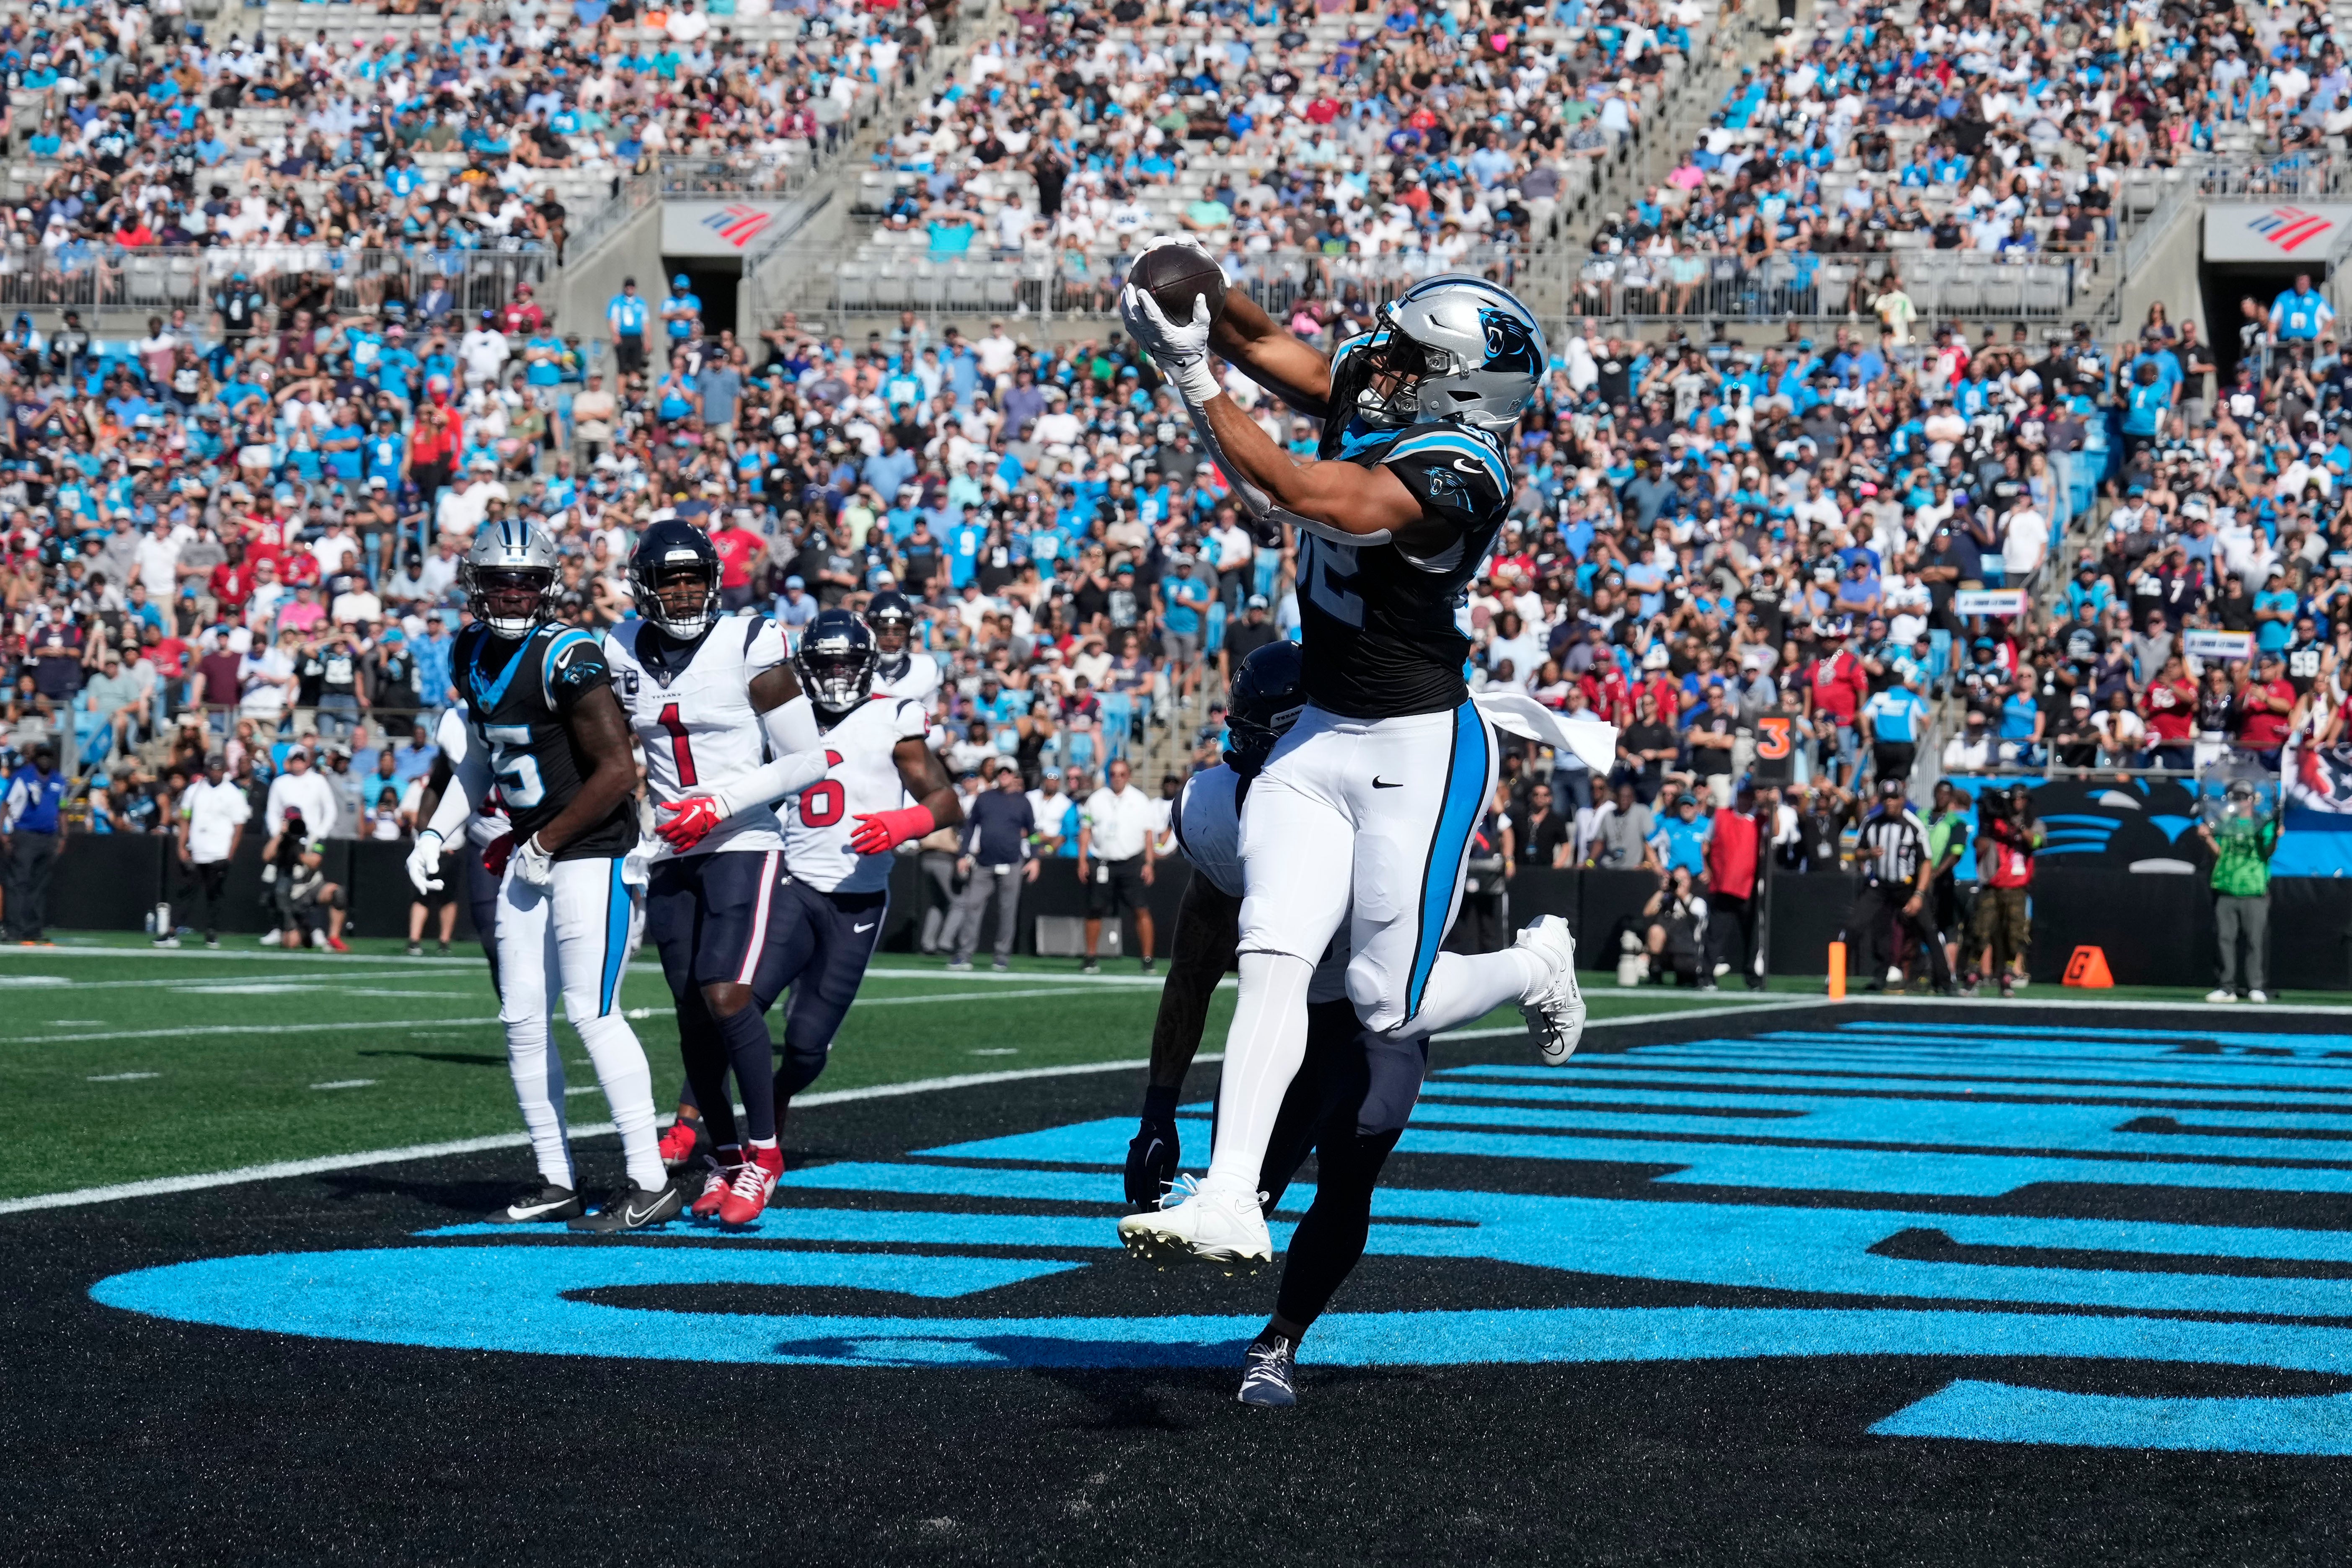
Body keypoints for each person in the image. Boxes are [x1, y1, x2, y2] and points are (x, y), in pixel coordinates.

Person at [1114, 253, 1584, 1268]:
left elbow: (1296, 487)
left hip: (1419, 745)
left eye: (1413, 357)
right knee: (1273, 951)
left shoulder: (1463, 471)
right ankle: (1232, 1193)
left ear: (1461, 382)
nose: (1385, 367)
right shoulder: (1393, 390)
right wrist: (1195, 287)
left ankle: (1536, 964)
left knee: (1389, 1001)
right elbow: (1258, 340)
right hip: (1321, 728)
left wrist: (1190, 377)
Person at [1122, 640, 1540, 1407]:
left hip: (1377, 1019)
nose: (1246, 739)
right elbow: (1193, 965)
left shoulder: (1391, 788)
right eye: (1242, 722)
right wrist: (1157, 1105)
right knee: (1244, 1193)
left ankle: (1278, 1341)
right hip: (1289, 1014)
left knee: (1351, 1172)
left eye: (1263, 725)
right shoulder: (1220, 806)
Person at [405, 519, 673, 1231]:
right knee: (522, 1015)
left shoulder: (569, 654)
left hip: (591, 849)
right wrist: (437, 829)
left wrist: (548, 840)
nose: (515, 592)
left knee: (591, 1010)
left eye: (527, 580)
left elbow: (617, 771)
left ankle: (649, 1179)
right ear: (475, 584)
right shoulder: (468, 649)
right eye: (501, 579)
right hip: (533, 848)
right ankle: (555, 1176)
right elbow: (479, 761)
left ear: (549, 584)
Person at [1848, 776, 1952, 995]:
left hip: (1907, 886)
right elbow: (1857, 852)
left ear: (1903, 799)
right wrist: (1868, 854)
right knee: (1857, 925)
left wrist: (1919, 894)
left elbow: (1926, 861)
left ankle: (1945, 982)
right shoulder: (1871, 822)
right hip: (1879, 886)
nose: (1890, 803)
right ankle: (1853, 976)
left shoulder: (1913, 824)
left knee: (1929, 931)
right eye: (1887, 799)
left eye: (1895, 798)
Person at [950, 761, 1038, 971]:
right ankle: (964, 954)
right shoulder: (985, 798)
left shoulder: (1023, 802)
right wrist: (964, 854)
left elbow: (1033, 833)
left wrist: (1034, 859)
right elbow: (970, 827)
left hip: (1011, 862)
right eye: (1001, 772)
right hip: (984, 863)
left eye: (1008, 772)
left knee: (1008, 911)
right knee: (972, 906)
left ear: (1014, 774)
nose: (1005, 775)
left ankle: (1002, 956)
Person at [2200, 779, 2282, 1004]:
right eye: (2237, 797)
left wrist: (2275, 837)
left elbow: (2268, 851)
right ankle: (2227, 987)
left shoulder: (2262, 822)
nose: (2241, 801)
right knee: (2224, 939)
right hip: (2226, 886)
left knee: (2255, 940)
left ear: (2253, 799)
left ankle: (2256, 986)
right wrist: (2207, 838)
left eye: (2245, 797)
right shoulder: (2224, 822)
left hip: (2254, 888)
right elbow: (2220, 853)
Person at [1078, 756, 1158, 974]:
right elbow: (1085, 831)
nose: (1117, 778)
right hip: (1102, 861)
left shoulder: (1140, 799)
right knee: (1095, 909)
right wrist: (1082, 860)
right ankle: (1091, 956)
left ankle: (1148, 959)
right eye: (1113, 774)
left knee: (1140, 909)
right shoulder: (1097, 798)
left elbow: (1148, 834)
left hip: (1131, 861)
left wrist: (1149, 863)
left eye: (1122, 774)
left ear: (1129, 776)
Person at [171, 752, 248, 949]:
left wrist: (230, 854)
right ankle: (173, 930)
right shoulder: (195, 790)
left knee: (214, 895)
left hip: (219, 851)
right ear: (206, 770)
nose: (215, 773)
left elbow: (239, 826)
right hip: (197, 850)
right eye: (212, 769)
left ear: (224, 771)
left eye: (219, 769)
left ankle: (212, 932)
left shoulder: (233, 793)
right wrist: (182, 845)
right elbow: (185, 818)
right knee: (186, 893)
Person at [1969, 783, 2039, 997]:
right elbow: (1979, 846)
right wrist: (1987, 825)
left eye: (2022, 799)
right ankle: (1973, 974)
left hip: (2017, 888)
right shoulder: (1995, 822)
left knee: (2014, 934)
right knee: (1981, 930)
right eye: (2014, 799)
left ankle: (2007, 976)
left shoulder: (2034, 823)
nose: (2018, 803)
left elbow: (2036, 842)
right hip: (1993, 885)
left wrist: (2017, 827)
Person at [0, 747, 67, 944]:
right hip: (25, 836)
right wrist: (3, 832)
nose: (45, 760)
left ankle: (33, 929)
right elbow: (6, 804)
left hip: (48, 838)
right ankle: (14, 929)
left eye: (49, 757)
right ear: (35, 759)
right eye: (42, 756)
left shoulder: (59, 781)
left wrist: (64, 836)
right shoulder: (23, 777)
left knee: (40, 885)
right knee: (18, 883)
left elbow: (62, 809)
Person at [868, 588, 942, 703]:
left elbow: (931, 717)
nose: (890, 638)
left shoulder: (926, 668)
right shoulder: (858, 669)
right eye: (883, 631)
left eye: (898, 632)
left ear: (911, 633)